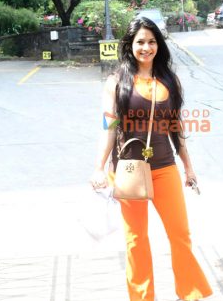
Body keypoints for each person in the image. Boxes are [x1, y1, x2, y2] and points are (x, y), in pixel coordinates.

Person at [91, 17, 212, 301]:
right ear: (130, 45)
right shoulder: (116, 82)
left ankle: (190, 293)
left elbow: (177, 127)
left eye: (152, 41)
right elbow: (108, 129)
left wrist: (188, 167)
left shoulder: (169, 80)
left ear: (159, 44)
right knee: (136, 241)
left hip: (164, 167)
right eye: (140, 42)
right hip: (128, 170)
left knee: (180, 234)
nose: (146, 47)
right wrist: (98, 167)